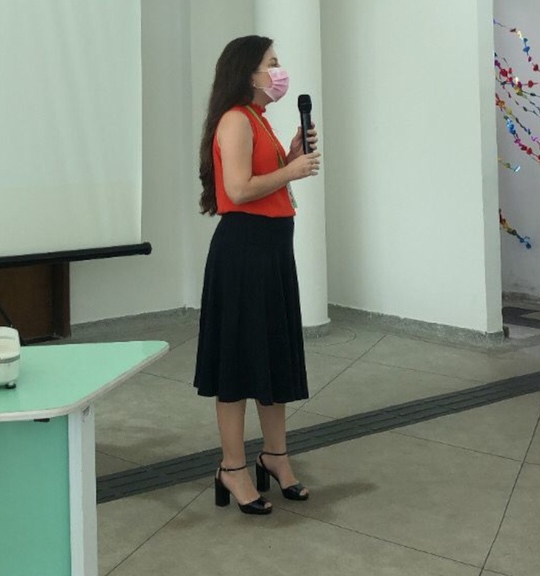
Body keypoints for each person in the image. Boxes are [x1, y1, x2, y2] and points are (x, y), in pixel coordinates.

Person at [194, 35, 321, 515]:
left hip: (271, 253)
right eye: (272, 62)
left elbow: (263, 182)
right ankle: (232, 467)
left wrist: (289, 156)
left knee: (272, 358)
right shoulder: (234, 119)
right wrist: (293, 172)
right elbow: (239, 189)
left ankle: (275, 456)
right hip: (243, 254)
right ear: (248, 72)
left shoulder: (259, 119)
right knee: (236, 363)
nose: (279, 71)